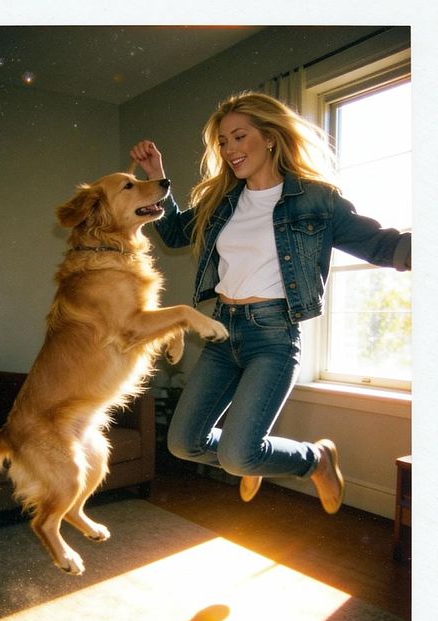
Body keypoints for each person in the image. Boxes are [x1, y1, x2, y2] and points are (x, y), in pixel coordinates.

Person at [130, 91, 411, 514]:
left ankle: (314, 458)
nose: (229, 150)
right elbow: (172, 234)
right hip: (223, 330)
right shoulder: (222, 200)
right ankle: (253, 455)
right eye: (222, 142)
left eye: (239, 137)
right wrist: (157, 174)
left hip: (274, 337)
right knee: (183, 443)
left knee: (238, 455)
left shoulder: (317, 199)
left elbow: (381, 244)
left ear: (271, 137)